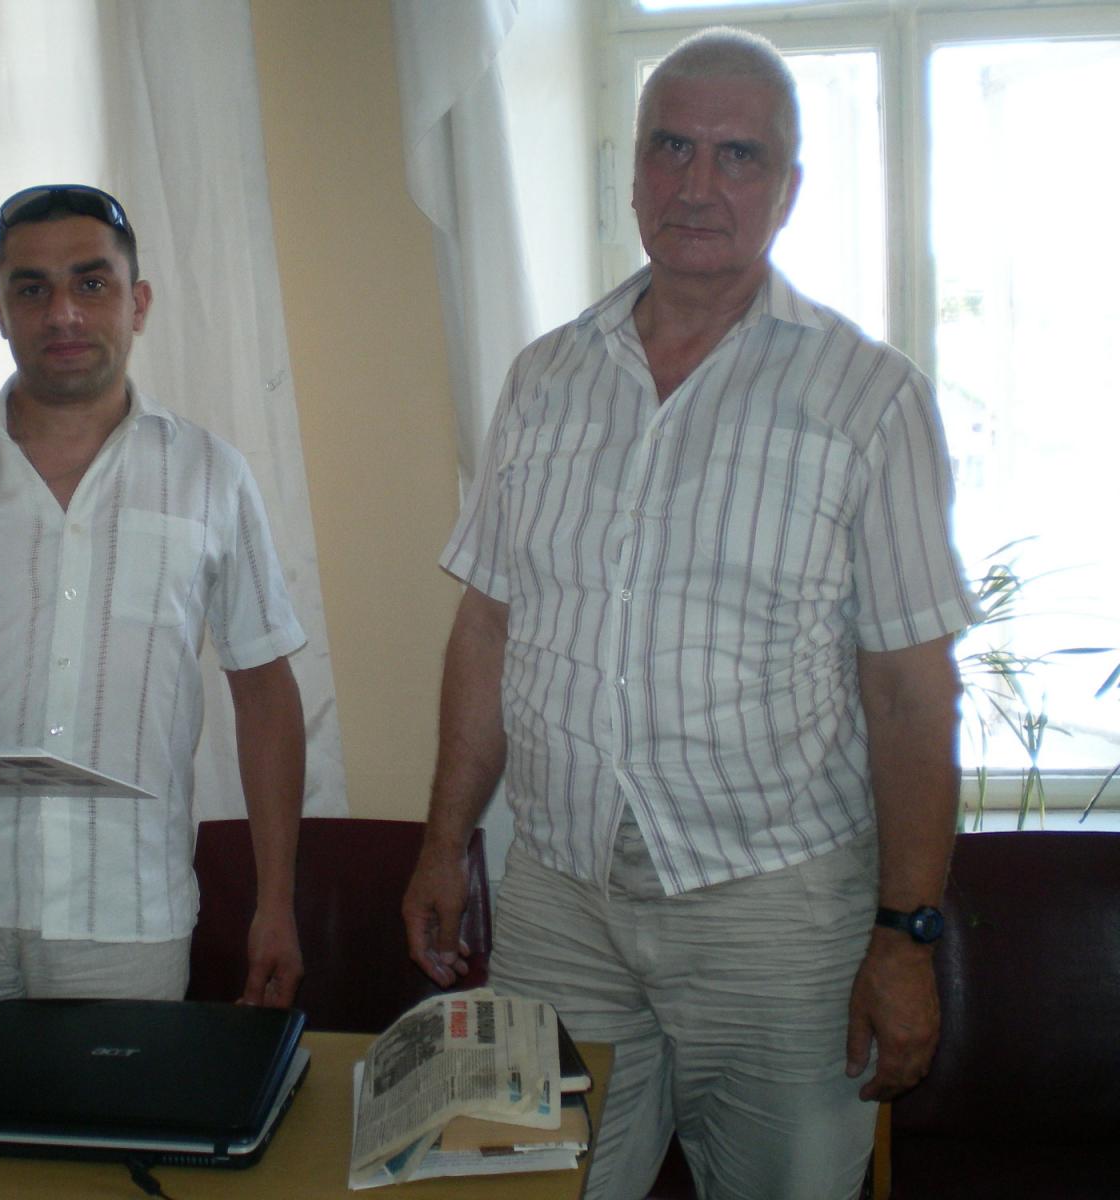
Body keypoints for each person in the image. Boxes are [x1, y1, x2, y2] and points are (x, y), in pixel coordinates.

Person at [401, 28, 976, 1200]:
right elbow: (490, 626)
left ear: (787, 188)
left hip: (775, 911)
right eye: (670, 147)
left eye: (737, 155)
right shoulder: (544, 379)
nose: (697, 183)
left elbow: (910, 692)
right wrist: (443, 840)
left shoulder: (866, 398)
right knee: (532, 1185)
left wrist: (906, 935)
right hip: (560, 896)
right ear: (632, 172)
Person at [0, 184, 306, 1018]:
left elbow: (265, 696)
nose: (63, 314)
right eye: (32, 289)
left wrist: (277, 904)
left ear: (137, 303)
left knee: (112, 1110)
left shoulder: (211, 477)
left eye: (91, 283)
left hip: (125, 914)